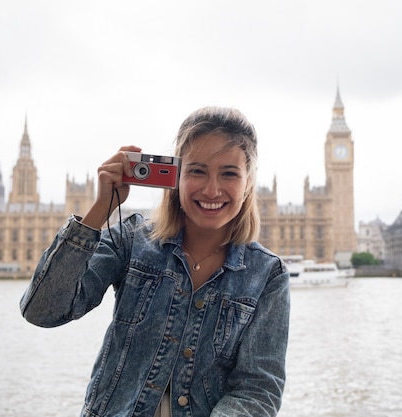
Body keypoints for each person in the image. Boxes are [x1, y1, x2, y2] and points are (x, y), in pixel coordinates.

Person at [20, 106, 290, 417]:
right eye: (197, 171)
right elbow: (43, 311)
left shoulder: (267, 275)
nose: (212, 189)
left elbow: (258, 389)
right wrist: (99, 210)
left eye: (229, 173)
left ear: (248, 184)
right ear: (175, 177)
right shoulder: (131, 241)